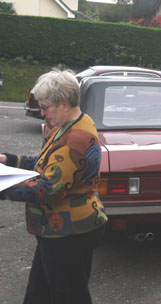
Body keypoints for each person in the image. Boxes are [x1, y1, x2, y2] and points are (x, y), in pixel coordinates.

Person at [0, 69, 107, 304]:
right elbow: (46, 163)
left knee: (68, 295)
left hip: (68, 232)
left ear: (65, 103)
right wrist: (9, 160)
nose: (42, 112)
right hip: (57, 229)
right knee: (40, 293)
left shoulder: (75, 138)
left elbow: (46, 189)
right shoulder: (69, 124)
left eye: (46, 106)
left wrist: (4, 188)